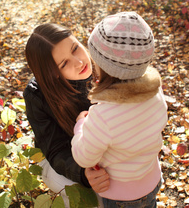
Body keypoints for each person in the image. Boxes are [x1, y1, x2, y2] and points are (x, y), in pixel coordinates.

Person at [71, 11, 168, 208]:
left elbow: (83, 157)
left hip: (122, 196)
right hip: (151, 180)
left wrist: (81, 124)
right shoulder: (156, 92)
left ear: (104, 66)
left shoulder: (103, 117)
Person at [23, 23, 109, 207]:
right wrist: (83, 173)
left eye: (75, 48)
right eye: (64, 63)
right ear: (51, 74)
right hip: (64, 159)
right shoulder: (37, 95)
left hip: (101, 147)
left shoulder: (105, 62)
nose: (79, 62)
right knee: (95, 198)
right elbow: (55, 149)